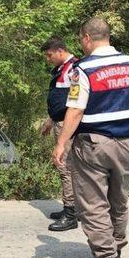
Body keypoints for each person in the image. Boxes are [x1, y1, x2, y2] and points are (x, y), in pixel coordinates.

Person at [52, 17, 129, 258]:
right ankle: (115, 250)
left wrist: (61, 143)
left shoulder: (83, 69)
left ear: (86, 38)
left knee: (93, 203)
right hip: (126, 142)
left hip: (94, 144)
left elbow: (76, 110)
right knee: (119, 200)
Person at [40, 36, 78, 231]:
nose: (48, 59)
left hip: (67, 125)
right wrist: (50, 120)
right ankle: (70, 208)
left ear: (60, 51)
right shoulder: (62, 69)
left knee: (65, 167)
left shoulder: (74, 69)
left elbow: (75, 104)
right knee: (66, 167)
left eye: (49, 55)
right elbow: (59, 101)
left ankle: (71, 213)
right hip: (60, 121)